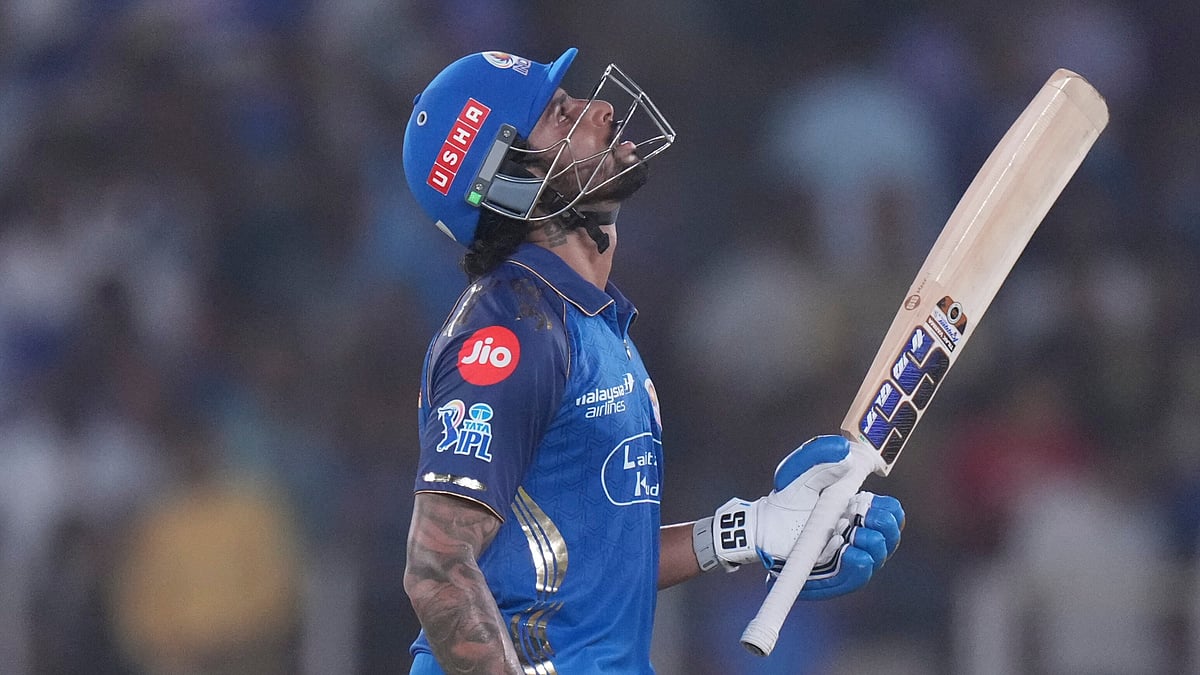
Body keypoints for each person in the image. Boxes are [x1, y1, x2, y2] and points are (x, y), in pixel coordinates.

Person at [400, 48, 905, 674]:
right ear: (511, 182)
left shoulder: (582, 318)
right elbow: (437, 567)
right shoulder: (510, 332)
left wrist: (745, 532)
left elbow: (587, 562)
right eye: (561, 114)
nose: (602, 109)